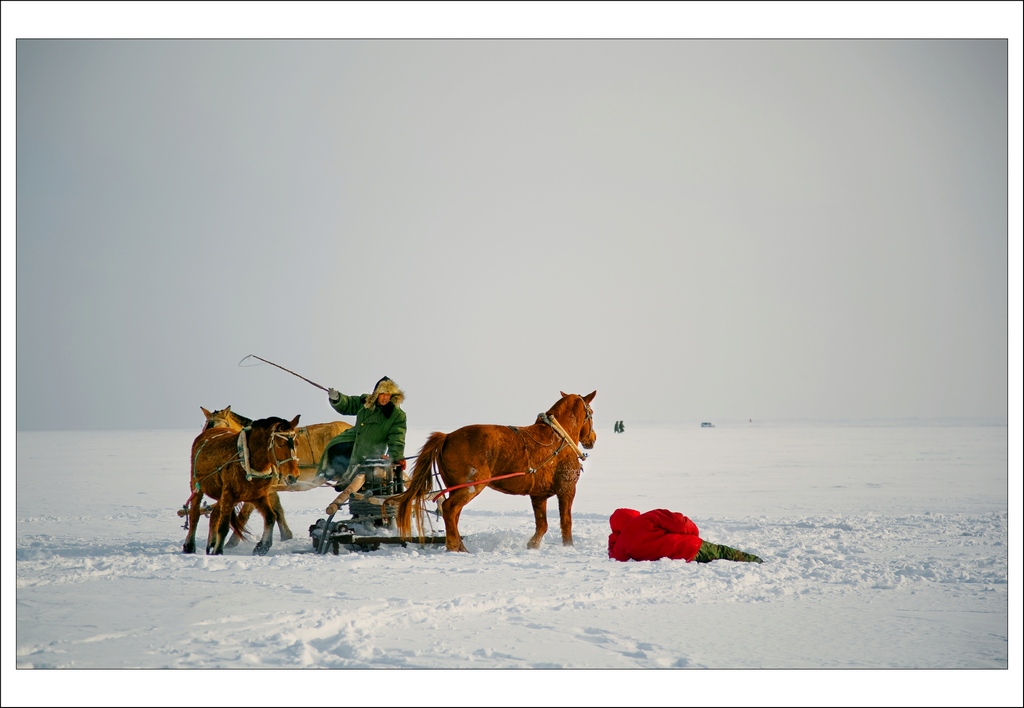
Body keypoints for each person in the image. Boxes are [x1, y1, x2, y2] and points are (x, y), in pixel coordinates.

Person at [319, 376, 407, 494]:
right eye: (382, 394)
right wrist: (338, 399)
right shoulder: (366, 403)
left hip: (372, 447)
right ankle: (331, 471)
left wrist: (395, 456)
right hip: (354, 437)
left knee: (359, 465)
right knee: (336, 446)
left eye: (388, 394)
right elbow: (349, 404)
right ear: (376, 394)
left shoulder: (396, 415)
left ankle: (346, 481)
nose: (385, 398)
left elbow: (397, 437)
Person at [607, 508, 763, 564]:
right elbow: (679, 522)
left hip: (680, 560)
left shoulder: (622, 544)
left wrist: (614, 538)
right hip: (690, 546)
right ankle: (755, 561)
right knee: (722, 553)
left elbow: (616, 559)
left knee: (715, 559)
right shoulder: (646, 518)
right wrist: (693, 533)